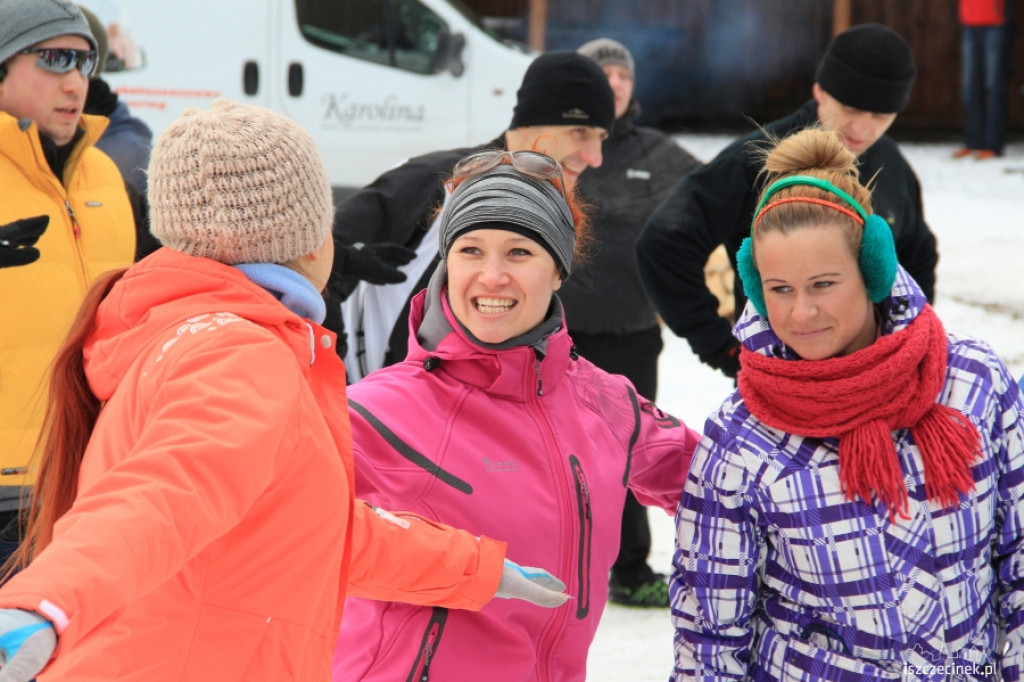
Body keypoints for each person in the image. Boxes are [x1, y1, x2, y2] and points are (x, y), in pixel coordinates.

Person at [0, 99, 570, 682]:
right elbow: (164, 494)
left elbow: (306, 529)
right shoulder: (240, 353)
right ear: (312, 241)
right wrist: (45, 601)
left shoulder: (190, 332)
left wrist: (476, 569)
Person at [670, 126, 1024, 680]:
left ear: (872, 271)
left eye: (823, 284)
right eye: (780, 289)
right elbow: (708, 640)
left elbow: (1017, 561)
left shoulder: (972, 382)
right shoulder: (741, 439)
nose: (801, 313)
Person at [332, 152, 702, 681]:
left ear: (558, 270)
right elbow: (283, 535)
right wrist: (463, 568)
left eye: (519, 252)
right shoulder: (374, 412)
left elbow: (724, 482)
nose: (492, 276)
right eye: (470, 250)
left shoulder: (604, 403)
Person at [636, 23, 939, 381]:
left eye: (880, 116)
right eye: (850, 108)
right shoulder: (756, 159)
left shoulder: (891, 165)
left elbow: (918, 253)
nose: (862, 129)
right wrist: (721, 347)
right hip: (778, 380)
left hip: (875, 376)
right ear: (820, 90)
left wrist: (908, 339)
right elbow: (663, 244)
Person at [327, 49, 614, 381]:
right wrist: (334, 369)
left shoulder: (560, 205)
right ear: (530, 121)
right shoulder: (436, 182)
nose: (595, 157)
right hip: (384, 402)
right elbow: (317, 258)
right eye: (580, 132)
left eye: (601, 137)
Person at [563, 38, 701, 608]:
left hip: (632, 335)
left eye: (622, 73)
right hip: (558, 337)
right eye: (603, 73)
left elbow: (721, 200)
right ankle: (548, 563)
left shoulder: (659, 154)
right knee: (553, 456)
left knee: (629, 456)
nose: (614, 82)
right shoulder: (554, 150)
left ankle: (630, 569)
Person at [0, 0, 136, 564]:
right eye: (55, 59)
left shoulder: (101, 171)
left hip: (86, 475)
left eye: (85, 64)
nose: (75, 82)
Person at [953, 0, 1015, 160]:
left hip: (996, 22)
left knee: (995, 86)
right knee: (970, 87)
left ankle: (994, 145)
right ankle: (973, 142)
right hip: (969, 21)